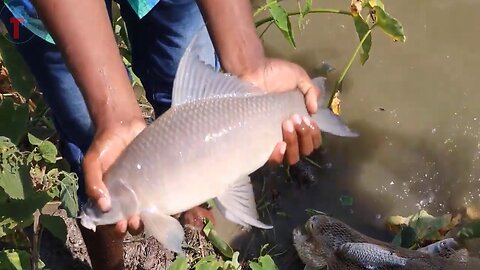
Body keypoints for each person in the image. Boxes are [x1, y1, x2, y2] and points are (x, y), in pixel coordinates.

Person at [0, 0, 323, 269]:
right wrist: (114, 115)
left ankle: (193, 196)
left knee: (186, 98)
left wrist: (246, 61)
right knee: (94, 146)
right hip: (51, 13)